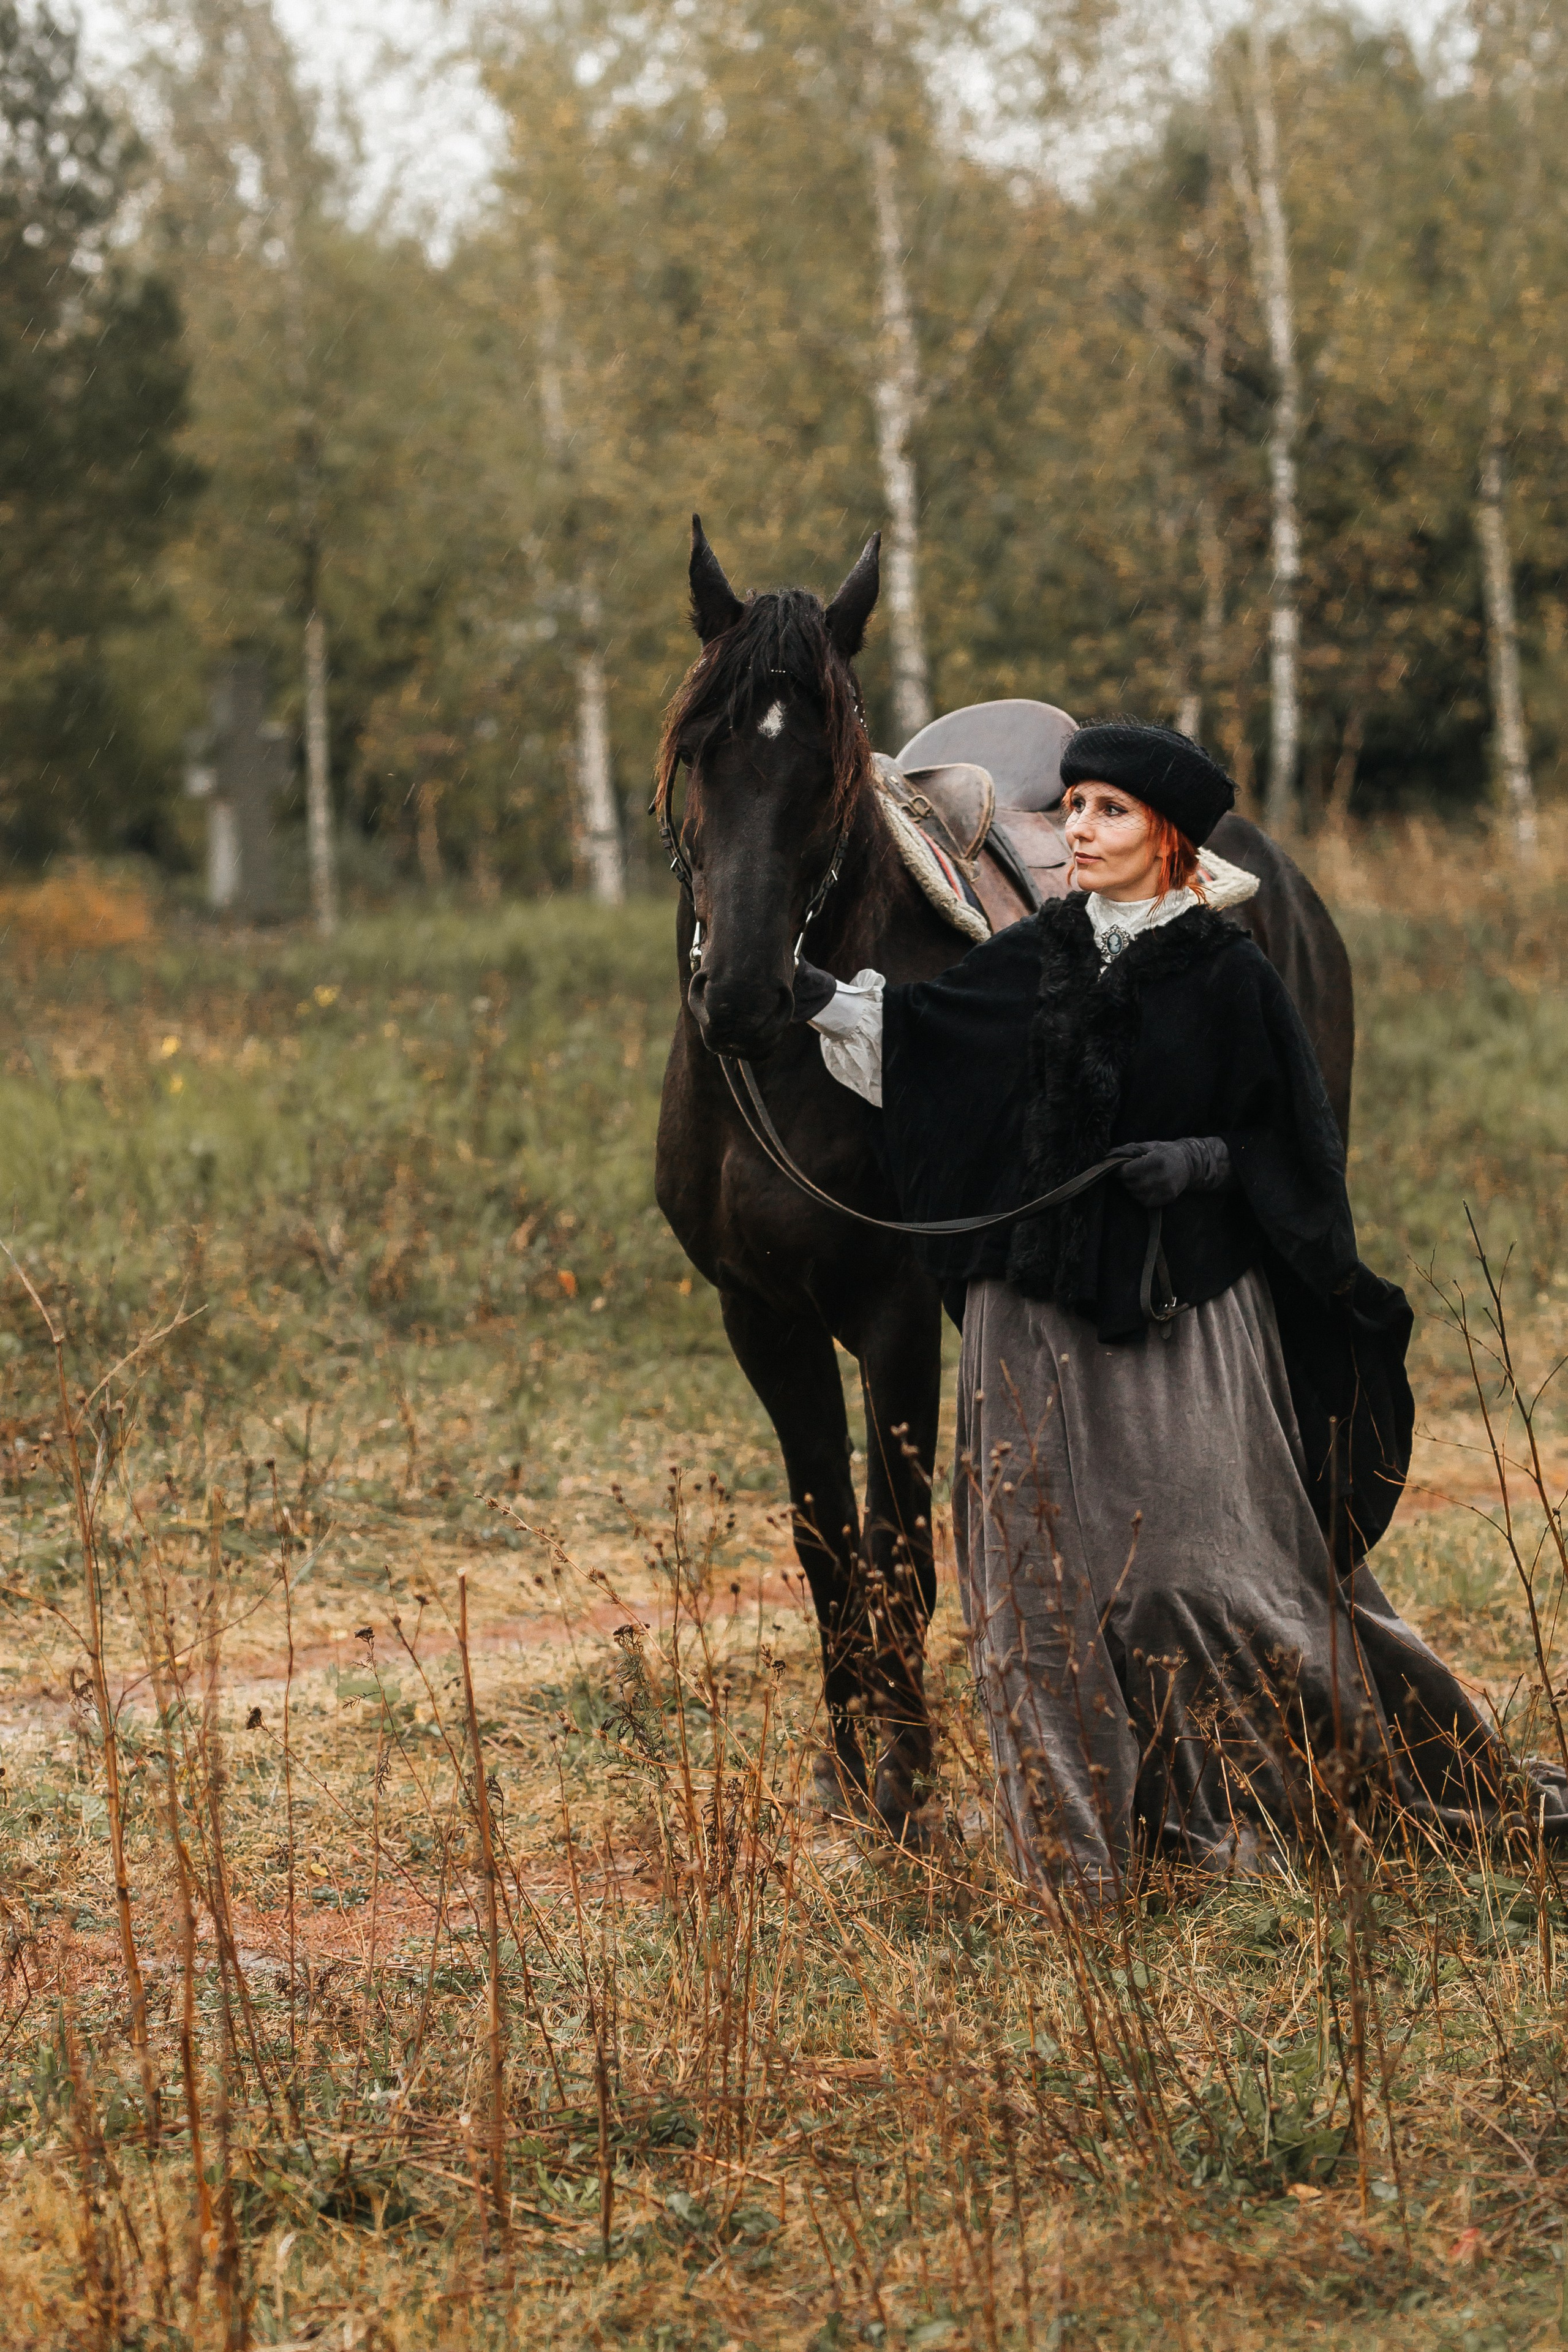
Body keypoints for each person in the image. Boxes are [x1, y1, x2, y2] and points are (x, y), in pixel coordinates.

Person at [794, 719, 1564, 1901]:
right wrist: (802, 995)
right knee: (1037, 1603)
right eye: (1073, 810)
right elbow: (928, 1044)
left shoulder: (1228, 975)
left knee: (1196, 1581)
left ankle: (1269, 1800)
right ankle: (1082, 1857)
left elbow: (1291, 1149)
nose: (1077, 834)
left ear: (1170, 839)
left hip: (1174, 1324)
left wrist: (1203, 1163)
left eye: (1105, 813)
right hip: (1028, 1325)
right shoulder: (1038, 952)